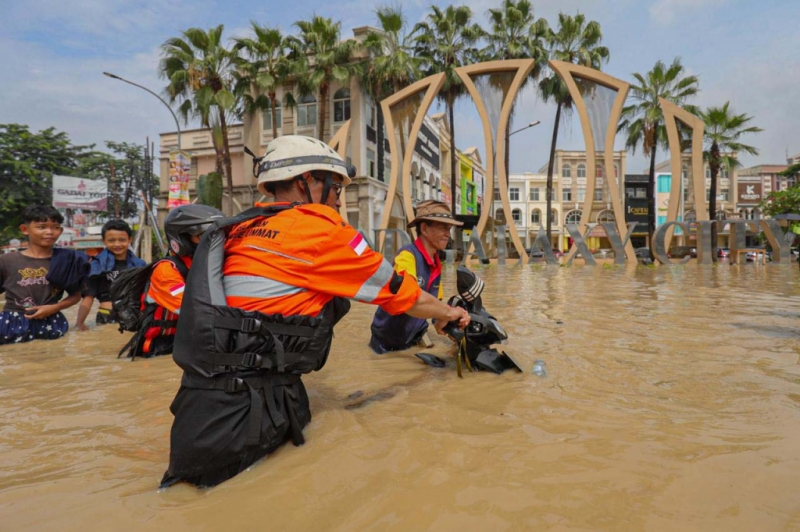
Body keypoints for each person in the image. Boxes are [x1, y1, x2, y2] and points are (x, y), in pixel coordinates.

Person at [160, 135, 470, 488]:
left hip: (199, 407)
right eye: (335, 186)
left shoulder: (240, 228)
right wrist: (450, 314)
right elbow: (401, 294)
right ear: (304, 181)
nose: (339, 197)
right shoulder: (319, 229)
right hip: (250, 415)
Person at [123, 204, 224, 358]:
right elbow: (194, 309)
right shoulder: (166, 271)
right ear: (182, 238)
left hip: (188, 342)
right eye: (203, 235)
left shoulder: (207, 266)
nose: (213, 241)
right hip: (159, 348)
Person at [369, 200, 463, 354]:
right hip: (386, 345)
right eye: (443, 227)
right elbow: (409, 300)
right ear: (424, 228)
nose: (448, 233)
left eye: (449, 228)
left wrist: (456, 322)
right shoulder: (407, 257)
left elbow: (435, 312)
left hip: (414, 338)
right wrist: (449, 312)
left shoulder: (436, 265)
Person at [0, 205, 88, 344]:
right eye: (41, 227)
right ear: (25, 229)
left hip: (51, 321)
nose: (50, 232)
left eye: (55, 227)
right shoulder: (6, 261)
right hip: (12, 323)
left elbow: (75, 296)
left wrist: (54, 307)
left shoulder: (68, 260)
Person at [75, 220, 145, 330]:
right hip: (107, 314)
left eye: (122, 240)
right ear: (104, 241)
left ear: (130, 240)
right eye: (111, 240)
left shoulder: (140, 265)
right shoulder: (96, 266)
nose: (117, 244)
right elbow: (88, 297)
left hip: (133, 315)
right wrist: (79, 323)